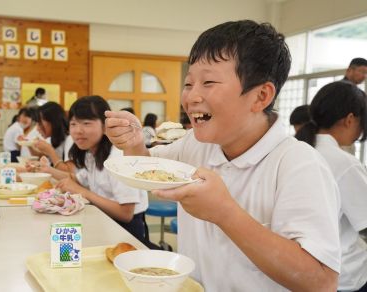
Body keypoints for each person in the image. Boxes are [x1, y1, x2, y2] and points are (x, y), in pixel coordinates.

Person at [105, 20, 340, 291]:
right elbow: (147, 168)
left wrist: (224, 213)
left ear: (260, 96)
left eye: (208, 82)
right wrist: (133, 143)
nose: (191, 96)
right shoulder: (196, 143)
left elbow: (322, 282)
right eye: (189, 82)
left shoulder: (299, 165)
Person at [40, 96, 152, 246]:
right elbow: (77, 179)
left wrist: (82, 191)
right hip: (104, 220)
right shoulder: (92, 152)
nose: (78, 131)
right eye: (73, 124)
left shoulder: (119, 156)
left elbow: (126, 213)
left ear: (105, 126)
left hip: (126, 230)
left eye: (86, 123)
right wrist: (46, 169)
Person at [295, 81, 367, 292]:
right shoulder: (345, 164)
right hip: (345, 275)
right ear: (350, 119)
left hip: (300, 270)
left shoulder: (295, 150)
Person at [31, 101, 72, 171]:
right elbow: (42, 156)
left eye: (40, 123)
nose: (37, 128)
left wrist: (50, 151)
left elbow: (68, 172)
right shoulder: (54, 138)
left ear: (53, 121)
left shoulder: (70, 139)